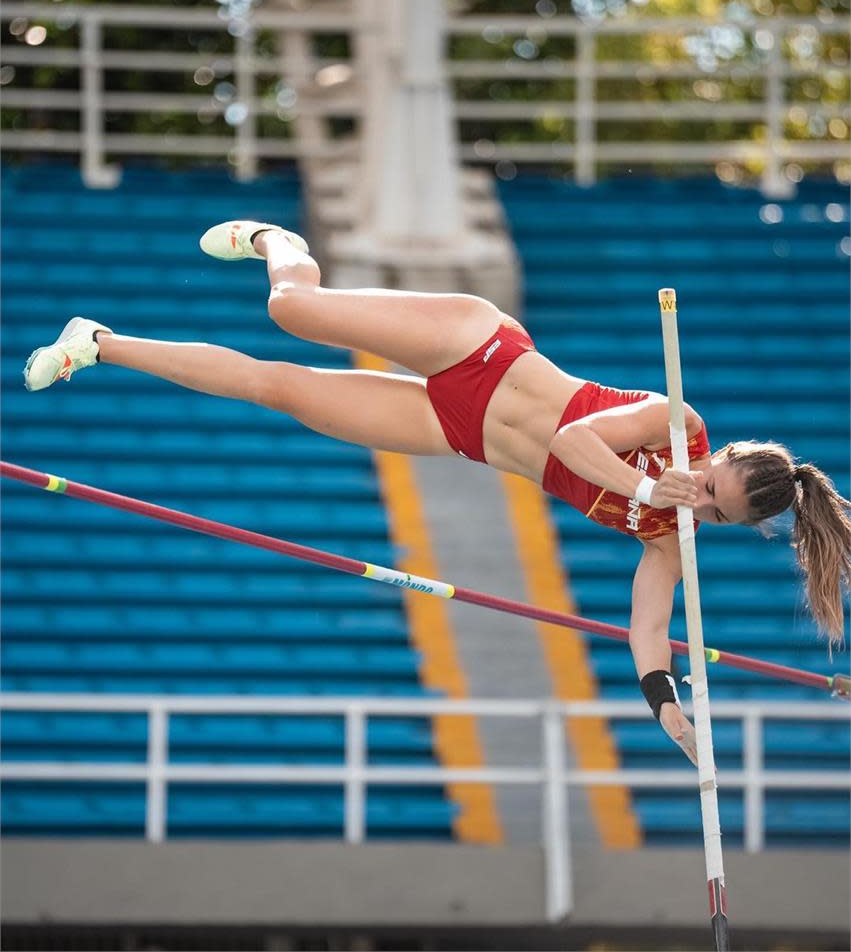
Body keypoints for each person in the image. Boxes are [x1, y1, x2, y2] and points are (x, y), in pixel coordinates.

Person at [23, 220, 851, 764]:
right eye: (710, 484)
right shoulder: (676, 423)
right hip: (477, 349)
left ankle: (97, 342)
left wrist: (668, 712)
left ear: (733, 524)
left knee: (278, 389)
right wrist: (660, 478)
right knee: (291, 308)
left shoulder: (671, 540)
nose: (698, 501)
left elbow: (645, 628)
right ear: (722, 454)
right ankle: (276, 237)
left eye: (714, 511)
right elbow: (570, 441)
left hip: (456, 433)